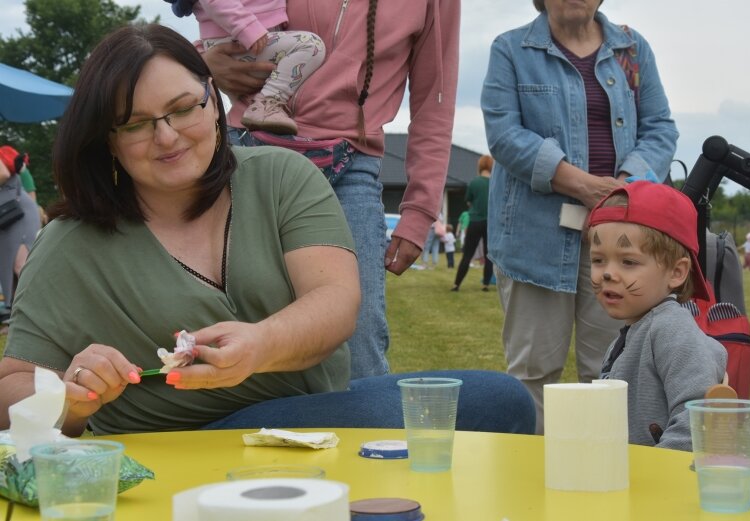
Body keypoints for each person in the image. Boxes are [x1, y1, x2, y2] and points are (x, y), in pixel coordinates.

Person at [0, 24, 535, 438]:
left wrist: (260, 345)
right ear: (108, 139)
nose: (166, 136)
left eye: (183, 108)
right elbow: (9, 389)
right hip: (174, 445)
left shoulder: (281, 176)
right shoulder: (69, 243)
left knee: (500, 400)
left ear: (213, 101)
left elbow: (335, 302)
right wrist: (70, 399)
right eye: (136, 123)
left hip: (314, 421)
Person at [201, 0, 460, 379]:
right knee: (234, 328)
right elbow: (223, 13)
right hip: (251, 152)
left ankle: (364, 434)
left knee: (358, 340)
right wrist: (203, 63)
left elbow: (435, 97)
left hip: (350, 166)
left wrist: (420, 209)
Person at [481, 0, 679, 432]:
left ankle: (604, 479)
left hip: (618, 241)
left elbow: (661, 127)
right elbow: (504, 134)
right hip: (532, 242)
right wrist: (587, 187)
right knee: (532, 372)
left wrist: (625, 186)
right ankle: (532, 481)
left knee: (612, 374)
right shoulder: (511, 49)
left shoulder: (631, 51)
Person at [588, 181, 726, 450]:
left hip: (663, 484)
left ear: (677, 272)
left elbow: (698, 420)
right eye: (598, 260)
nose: (607, 273)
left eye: (628, 262)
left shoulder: (671, 330)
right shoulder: (632, 331)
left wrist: (656, 473)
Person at [170, 0, 325, 134]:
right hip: (238, 38)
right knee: (311, 45)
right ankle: (266, 103)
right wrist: (247, 27)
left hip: (240, 36)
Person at [0, 146, 41, 321]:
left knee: (20, 266)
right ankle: (18, 321)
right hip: (9, 217)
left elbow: (3, 174)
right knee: (11, 270)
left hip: (18, 216)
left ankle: (39, 315)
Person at [452, 154, 493, 292]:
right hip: (490, 223)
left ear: (480, 166)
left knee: (467, 254)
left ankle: (456, 284)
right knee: (489, 255)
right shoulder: (495, 183)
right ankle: (486, 284)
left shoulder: (474, 182)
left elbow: (469, 201)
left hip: (475, 221)